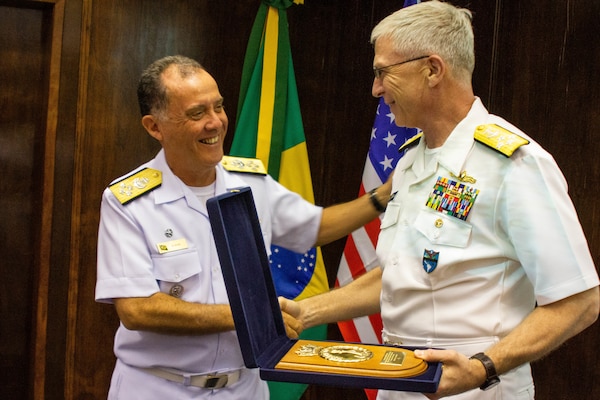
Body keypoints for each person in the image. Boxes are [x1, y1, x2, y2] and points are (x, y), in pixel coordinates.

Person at [279, 1, 600, 399]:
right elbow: (403, 273)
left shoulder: (513, 164)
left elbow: (579, 300)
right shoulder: (413, 158)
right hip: (398, 380)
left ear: (432, 69)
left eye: (383, 72)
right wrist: (308, 312)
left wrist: (483, 367)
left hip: (476, 389)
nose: (375, 88)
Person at [95, 55, 392, 399]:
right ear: (154, 127)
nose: (215, 123)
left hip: (244, 388)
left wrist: (382, 197)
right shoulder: (129, 201)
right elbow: (137, 309)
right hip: (160, 387)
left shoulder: (250, 181)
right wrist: (249, 316)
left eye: (218, 107)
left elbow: (315, 228)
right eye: (197, 113)